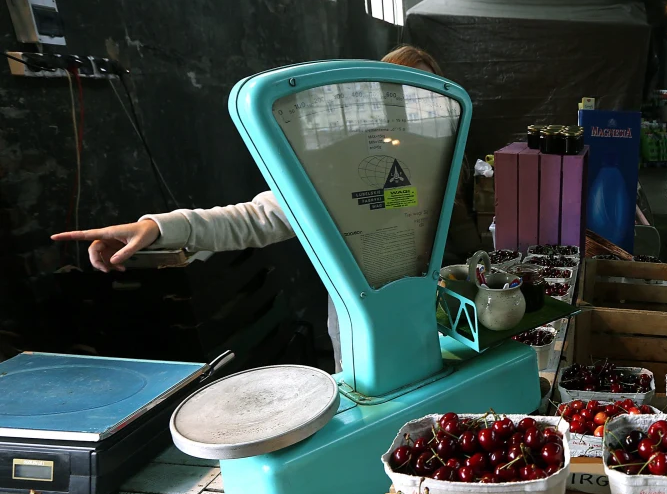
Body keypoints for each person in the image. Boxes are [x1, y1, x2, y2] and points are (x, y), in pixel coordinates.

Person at [51, 45, 479, 368]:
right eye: (399, 96)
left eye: (426, 102)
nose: (411, 111)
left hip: (434, 318)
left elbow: (457, 234)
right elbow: (256, 218)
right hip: (361, 325)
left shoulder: (442, 161)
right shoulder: (344, 167)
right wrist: (162, 228)